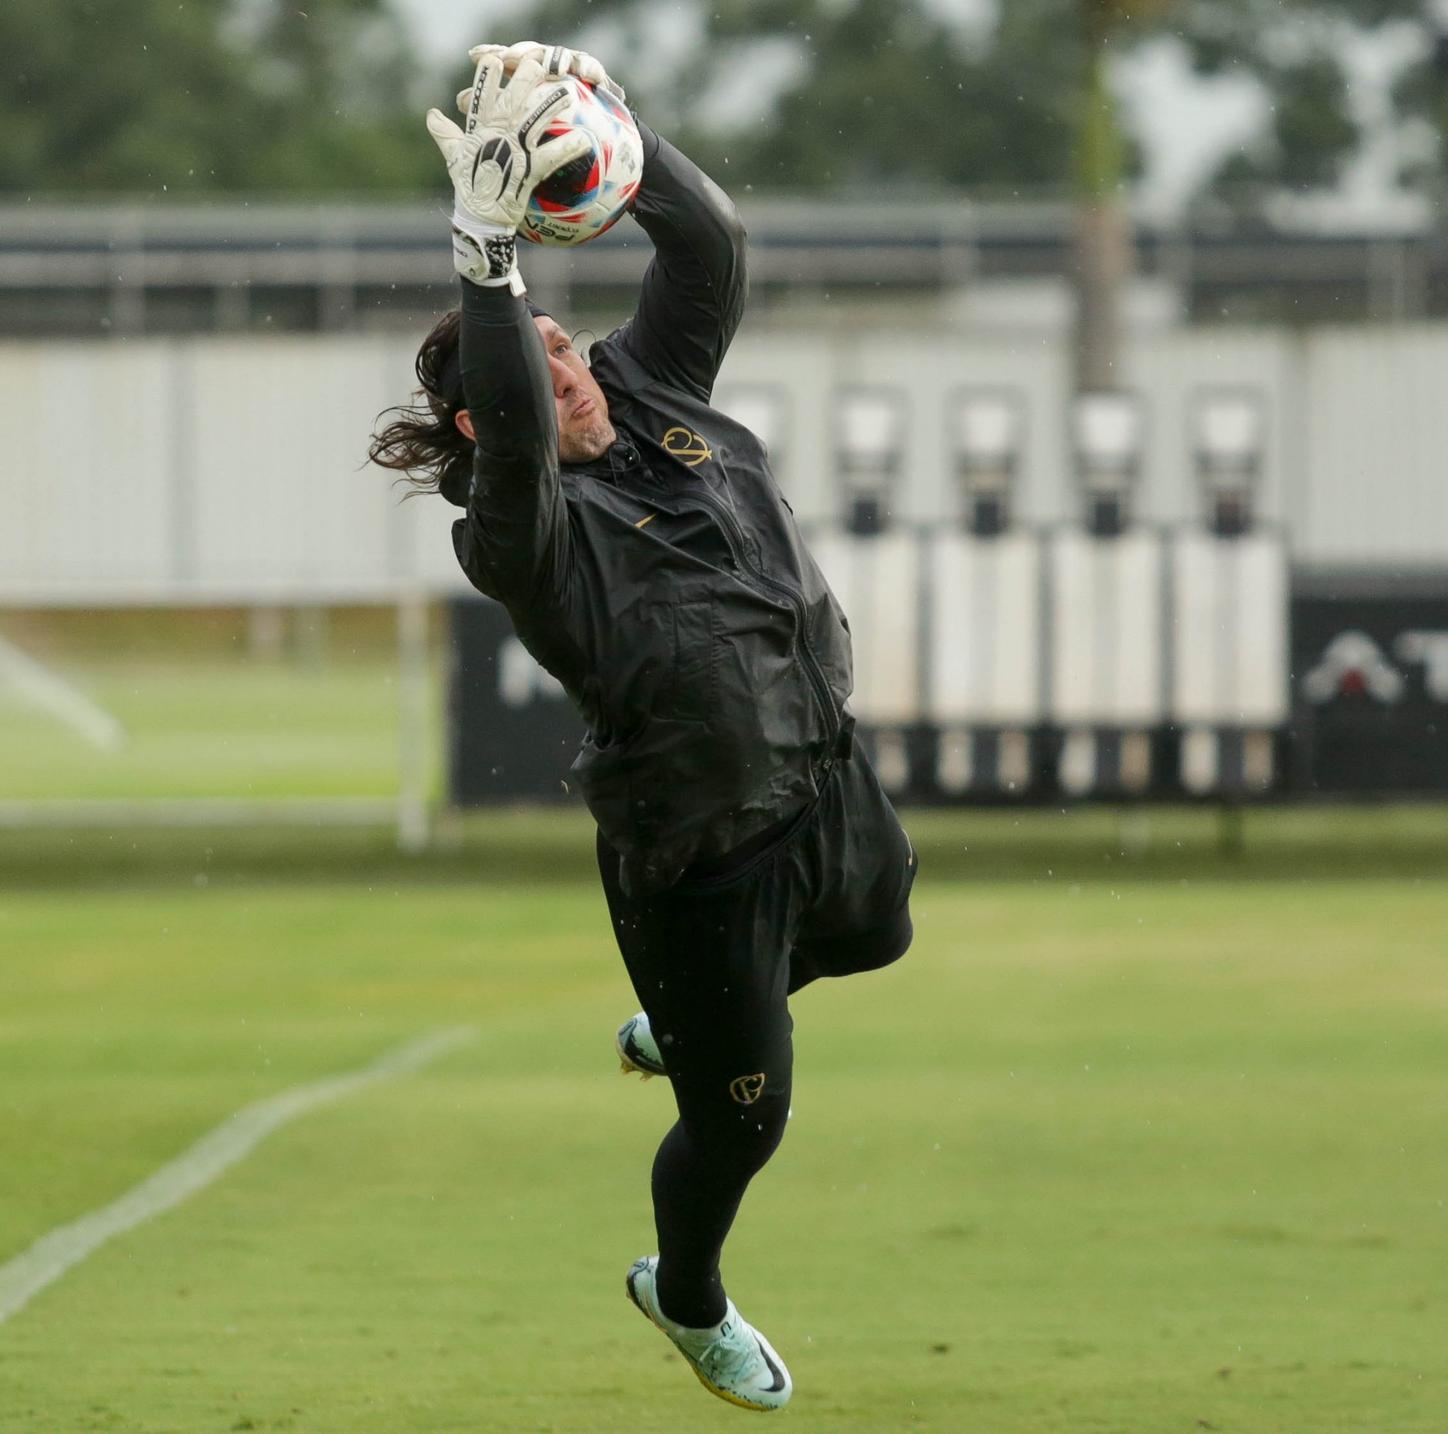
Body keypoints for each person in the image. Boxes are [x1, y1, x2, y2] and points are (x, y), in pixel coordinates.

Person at [368, 43, 917, 1413]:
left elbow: (711, 250)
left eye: (561, 342)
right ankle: (687, 1290)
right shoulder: (521, 533)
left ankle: (693, 1020)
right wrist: (485, 271)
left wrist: (618, 121)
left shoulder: (655, 390)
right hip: (700, 850)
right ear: (486, 421)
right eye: (534, 370)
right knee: (744, 1118)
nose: (568, 365)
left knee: (880, 924)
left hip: (819, 771)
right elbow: (507, 420)